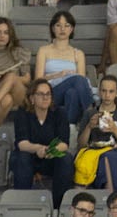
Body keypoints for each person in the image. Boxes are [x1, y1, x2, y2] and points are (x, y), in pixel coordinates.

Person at [12, 76, 73, 205]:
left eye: (48, 94)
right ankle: (21, 203)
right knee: (22, 158)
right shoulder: (22, 113)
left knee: (66, 158)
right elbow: (22, 143)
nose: (45, 98)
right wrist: (38, 149)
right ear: (32, 98)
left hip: (50, 157)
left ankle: (60, 205)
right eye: (40, 94)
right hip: (29, 156)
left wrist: (51, 150)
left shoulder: (59, 113)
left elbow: (64, 143)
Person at [76, 75, 117, 192]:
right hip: (92, 153)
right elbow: (80, 145)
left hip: (115, 154)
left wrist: (115, 130)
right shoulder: (90, 114)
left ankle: (110, 192)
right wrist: (89, 127)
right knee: (92, 159)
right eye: (104, 91)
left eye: (111, 91)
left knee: (110, 157)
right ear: (99, 92)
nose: (107, 95)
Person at [35, 10, 94, 124]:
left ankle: (69, 127)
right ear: (53, 28)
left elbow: (82, 86)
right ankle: (91, 114)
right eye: (58, 25)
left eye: (67, 25)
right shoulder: (44, 50)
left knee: (72, 93)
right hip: (50, 93)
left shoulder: (78, 53)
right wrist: (57, 75)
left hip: (70, 92)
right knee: (77, 79)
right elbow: (37, 81)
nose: (62, 29)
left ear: (71, 29)